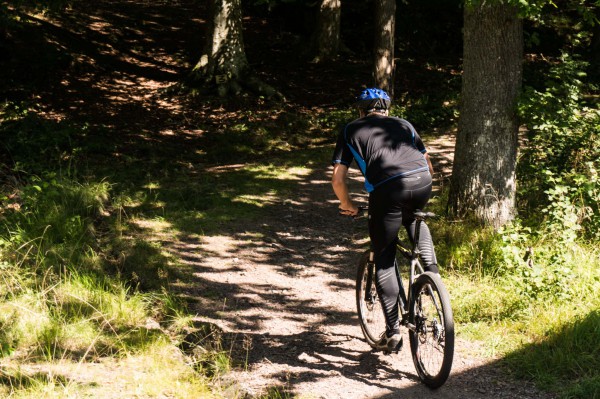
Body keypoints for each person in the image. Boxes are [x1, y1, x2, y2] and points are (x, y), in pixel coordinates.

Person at [330, 87, 439, 352]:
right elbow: (428, 163)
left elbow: (338, 179)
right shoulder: (405, 124)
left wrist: (348, 205)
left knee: (385, 258)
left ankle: (393, 332)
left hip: (388, 189)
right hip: (422, 181)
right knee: (415, 221)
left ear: (360, 110)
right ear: (386, 109)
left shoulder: (350, 130)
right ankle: (433, 278)